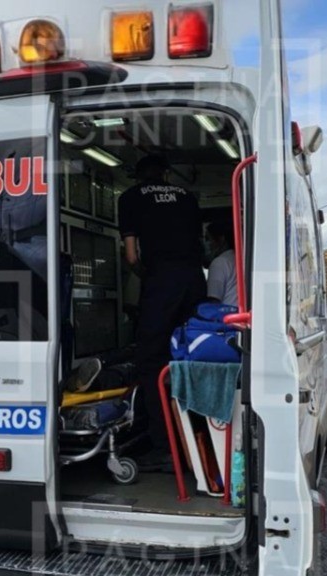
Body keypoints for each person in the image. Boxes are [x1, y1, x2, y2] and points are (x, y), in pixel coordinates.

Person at [119, 155, 206, 471]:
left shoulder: (129, 198)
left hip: (162, 280)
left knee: (150, 361)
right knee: (192, 357)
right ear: (167, 174)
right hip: (194, 279)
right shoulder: (187, 197)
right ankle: (201, 441)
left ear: (137, 175)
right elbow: (199, 243)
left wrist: (150, 277)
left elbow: (131, 255)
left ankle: (165, 447)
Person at [204, 215, 238, 307]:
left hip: (226, 317)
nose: (206, 244)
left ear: (221, 240)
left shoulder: (219, 263)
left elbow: (213, 300)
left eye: (208, 239)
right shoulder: (236, 258)